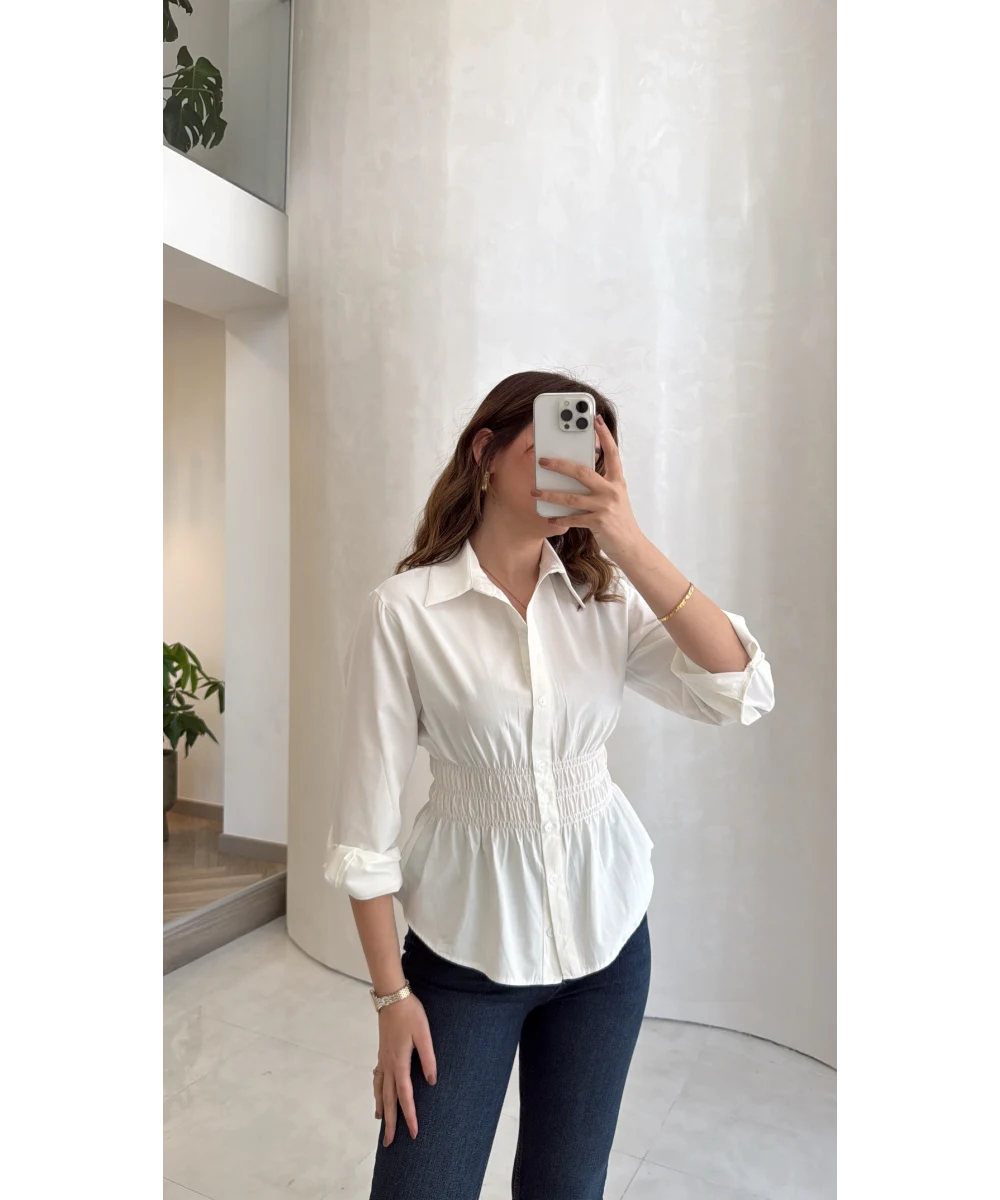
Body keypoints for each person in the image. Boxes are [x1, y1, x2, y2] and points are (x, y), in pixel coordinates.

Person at [324, 370, 775, 1200]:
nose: (576, 469)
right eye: (552, 446)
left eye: (594, 456)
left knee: (566, 1187)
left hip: (608, 947)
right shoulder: (404, 612)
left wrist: (627, 540)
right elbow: (364, 833)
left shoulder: (605, 600)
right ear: (485, 454)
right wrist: (391, 999)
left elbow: (739, 687)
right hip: (465, 955)